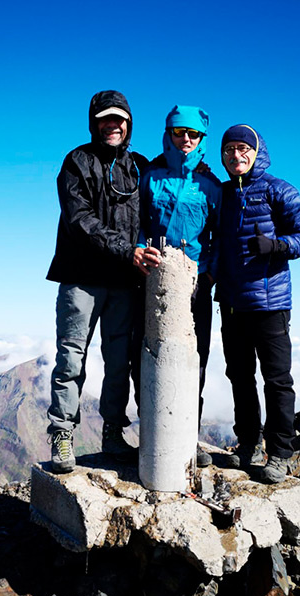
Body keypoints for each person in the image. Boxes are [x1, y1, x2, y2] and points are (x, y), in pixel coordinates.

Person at [46, 90, 149, 473]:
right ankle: (62, 433)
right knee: (71, 358)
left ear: (129, 124)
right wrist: (127, 251)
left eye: (119, 119)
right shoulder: (77, 161)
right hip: (82, 278)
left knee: (118, 361)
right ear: (94, 122)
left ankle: (113, 432)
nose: (113, 125)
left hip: (123, 281)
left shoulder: (138, 166)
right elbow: (79, 220)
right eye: (106, 119)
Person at [215, 124, 300, 484]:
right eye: (229, 149)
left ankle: (280, 454)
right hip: (231, 303)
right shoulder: (222, 194)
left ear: (257, 152)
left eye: (243, 148)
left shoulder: (278, 190)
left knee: (277, 380)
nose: (236, 155)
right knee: (240, 377)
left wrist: (277, 246)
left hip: (271, 303)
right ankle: (247, 445)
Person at [133, 105, 222, 467]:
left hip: (195, 284)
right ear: (168, 134)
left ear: (202, 138)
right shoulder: (150, 177)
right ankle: (151, 434)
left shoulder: (211, 186)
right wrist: (140, 248)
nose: (186, 139)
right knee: (145, 354)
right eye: (179, 132)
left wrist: (209, 273)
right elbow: (136, 221)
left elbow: (219, 236)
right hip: (151, 278)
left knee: (193, 360)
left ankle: (188, 438)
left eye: (193, 134)